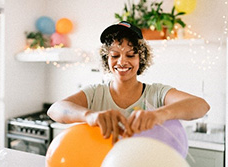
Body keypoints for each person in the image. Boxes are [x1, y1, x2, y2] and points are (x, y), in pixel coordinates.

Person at [47, 21, 210, 144]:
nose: (122, 62)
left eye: (131, 55)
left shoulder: (157, 93)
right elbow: (54, 110)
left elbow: (201, 105)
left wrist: (160, 114)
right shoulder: (95, 93)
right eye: (115, 55)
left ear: (141, 58)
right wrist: (89, 116)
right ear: (107, 58)